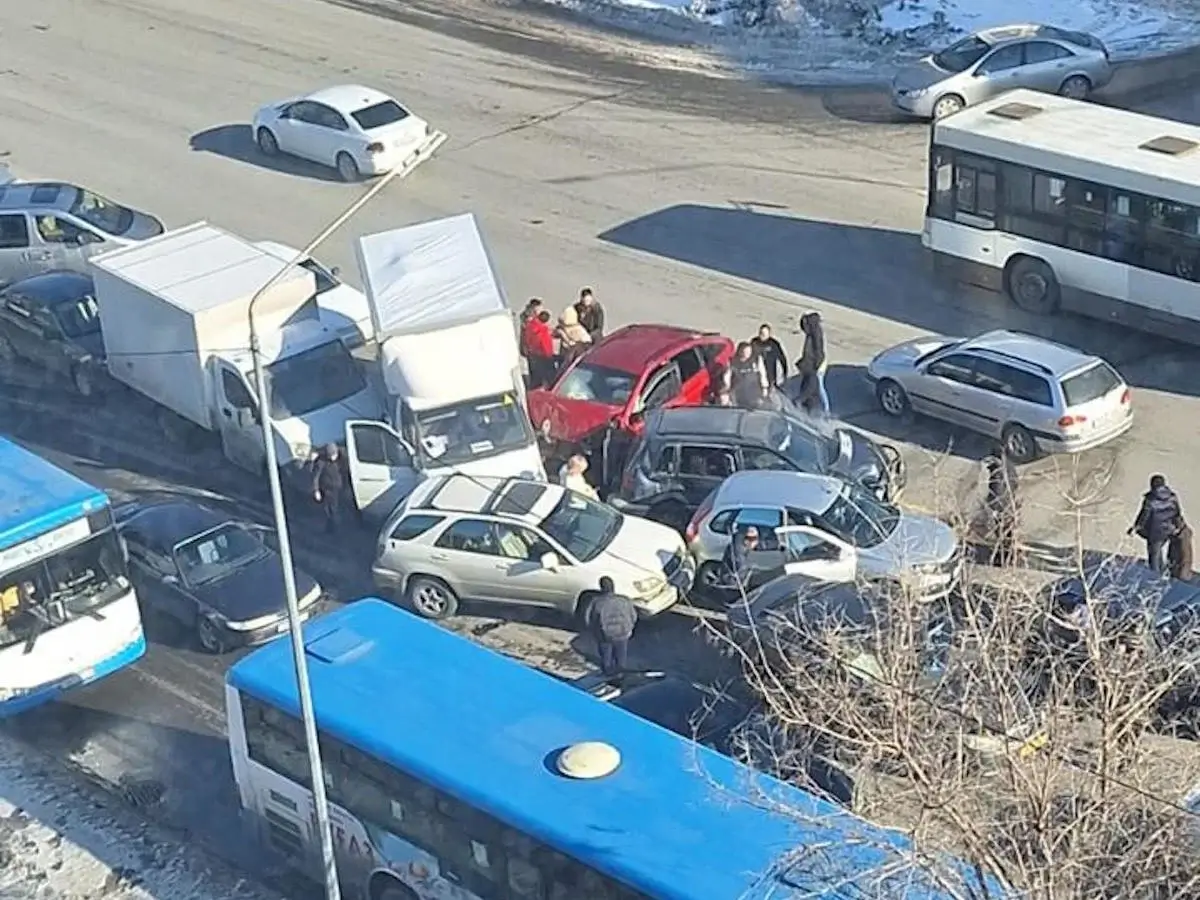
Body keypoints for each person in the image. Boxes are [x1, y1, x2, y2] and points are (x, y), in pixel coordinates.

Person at [1129, 474, 1183, 573]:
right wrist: (1176, 528)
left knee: (1154, 557)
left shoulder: (1150, 499)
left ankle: (1155, 579)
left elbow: (1144, 516)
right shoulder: (1173, 496)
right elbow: (1177, 513)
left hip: (1154, 531)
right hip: (1168, 530)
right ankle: (1162, 576)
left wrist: (1136, 527)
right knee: (1158, 553)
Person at [588, 577, 637, 675]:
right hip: (623, 633)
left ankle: (608, 675)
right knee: (621, 656)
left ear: (601, 588)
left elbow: (589, 619)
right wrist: (629, 629)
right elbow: (633, 616)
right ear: (613, 587)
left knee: (606, 658)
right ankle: (621, 675)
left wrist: (596, 633)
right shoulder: (624, 600)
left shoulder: (597, 602)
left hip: (604, 635)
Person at [983, 449, 1019, 567]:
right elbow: (1015, 482)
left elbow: (995, 492)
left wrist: (994, 509)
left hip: (1001, 509)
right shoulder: (1010, 466)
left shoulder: (997, 474)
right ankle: (1011, 556)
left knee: (1001, 534)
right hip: (1011, 505)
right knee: (1010, 533)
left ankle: (1003, 559)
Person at [796, 311, 830, 415]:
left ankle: (826, 410)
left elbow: (818, 348)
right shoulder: (812, 330)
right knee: (815, 387)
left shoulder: (815, 332)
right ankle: (809, 406)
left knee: (818, 387)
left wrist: (817, 364)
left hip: (816, 364)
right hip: (812, 363)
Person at [312, 443, 349, 534]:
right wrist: (316, 490)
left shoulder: (342, 458)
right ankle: (332, 529)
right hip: (327, 489)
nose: (333, 458)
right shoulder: (321, 462)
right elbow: (315, 477)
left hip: (339, 488)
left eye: (334, 455)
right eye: (331, 456)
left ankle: (335, 528)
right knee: (330, 510)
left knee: (337, 509)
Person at [723, 342, 770, 409]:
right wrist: (726, 390)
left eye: (749, 351)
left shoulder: (756, 360)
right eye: (745, 351)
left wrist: (764, 388)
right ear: (740, 351)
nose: (748, 353)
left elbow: (763, 374)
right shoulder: (732, 362)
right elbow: (727, 376)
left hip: (754, 391)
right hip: (738, 392)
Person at [719, 526, 759, 599]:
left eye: (754, 539)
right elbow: (740, 567)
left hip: (736, 582)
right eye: (749, 539)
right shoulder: (738, 550)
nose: (752, 542)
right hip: (732, 584)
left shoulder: (744, 547)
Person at [521, 307, 555, 388]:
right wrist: (550, 356)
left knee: (534, 377)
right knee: (545, 377)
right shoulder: (543, 331)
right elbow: (546, 345)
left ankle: (532, 391)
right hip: (542, 356)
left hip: (532, 354)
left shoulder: (530, 326)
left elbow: (525, 339)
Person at [750, 323, 787, 389]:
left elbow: (782, 358)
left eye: (764, 333)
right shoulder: (754, 342)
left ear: (769, 334)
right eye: (761, 333)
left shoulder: (774, 344)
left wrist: (784, 372)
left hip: (770, 374)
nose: (762, 335)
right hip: (757, 374)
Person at [556, 306, 592, 370]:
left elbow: (572, 344)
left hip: (575, 355)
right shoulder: (564, 328)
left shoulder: (577, 330)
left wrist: (563, 336)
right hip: (567, 353)